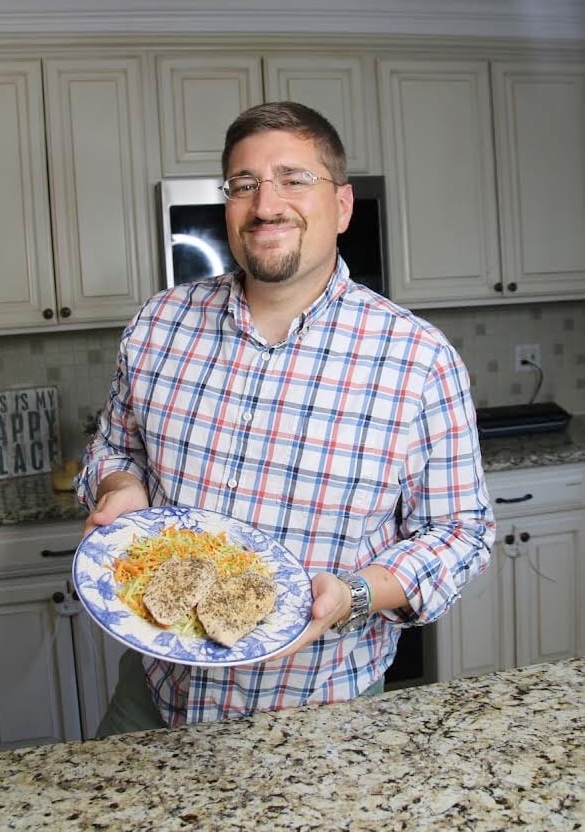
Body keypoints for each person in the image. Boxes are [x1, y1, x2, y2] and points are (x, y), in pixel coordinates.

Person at [76, 101, 495, 734]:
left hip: (324, 711)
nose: (267, 204)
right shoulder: (158, 326)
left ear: (343, 205)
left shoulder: (418, 360)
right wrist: (120, 486)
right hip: (155, 695)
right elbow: (115, 450)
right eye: (245, 185)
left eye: (294, 179)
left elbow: (463, 533)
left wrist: (356, 594)